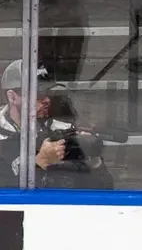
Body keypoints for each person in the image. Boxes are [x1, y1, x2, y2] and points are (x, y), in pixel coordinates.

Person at [0, 61, 113, 189]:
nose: (47, 100)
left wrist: (94, 161)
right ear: (12, 97)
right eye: (38, 95)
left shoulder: (62, 130)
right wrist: (40, 163)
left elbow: (105, 188)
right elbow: (6, 196)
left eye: (47, 92)